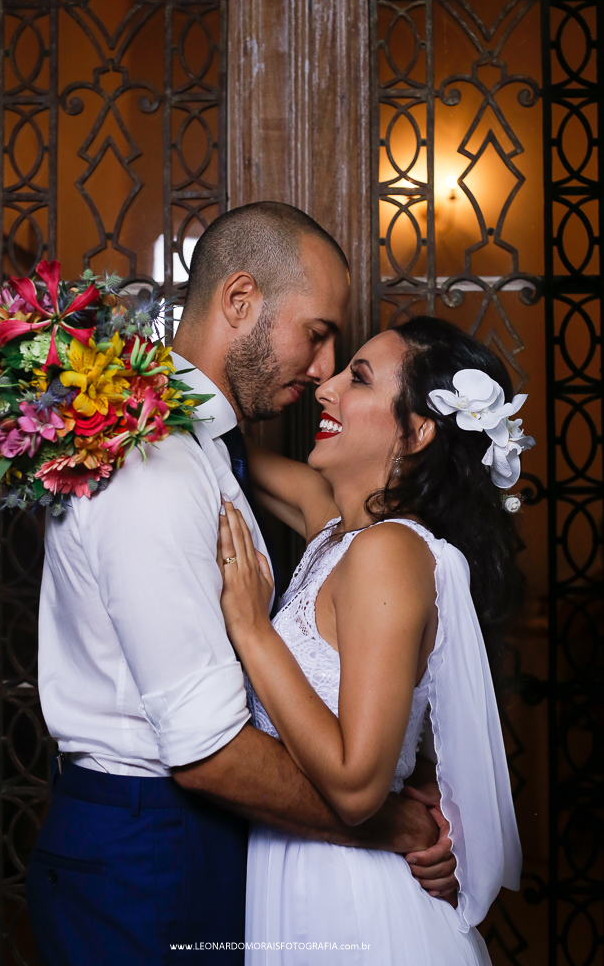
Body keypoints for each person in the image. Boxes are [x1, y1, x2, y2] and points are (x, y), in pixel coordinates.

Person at [26, 205, 455, 965]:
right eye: (317, 334)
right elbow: (207, 751)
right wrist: (392, 824)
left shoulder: (198, 449)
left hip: (217, 835)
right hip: (149, 842)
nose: (323, 370)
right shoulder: (148, 460)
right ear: (238, 302)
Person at [217, 317, 525, 965]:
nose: (324, 389)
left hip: (351, 898)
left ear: (415, 433)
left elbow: (359, 789)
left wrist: (251, 631)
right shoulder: (333, 530)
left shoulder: (390, 552)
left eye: (355, 378)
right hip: (298, 875)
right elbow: (218, 449)